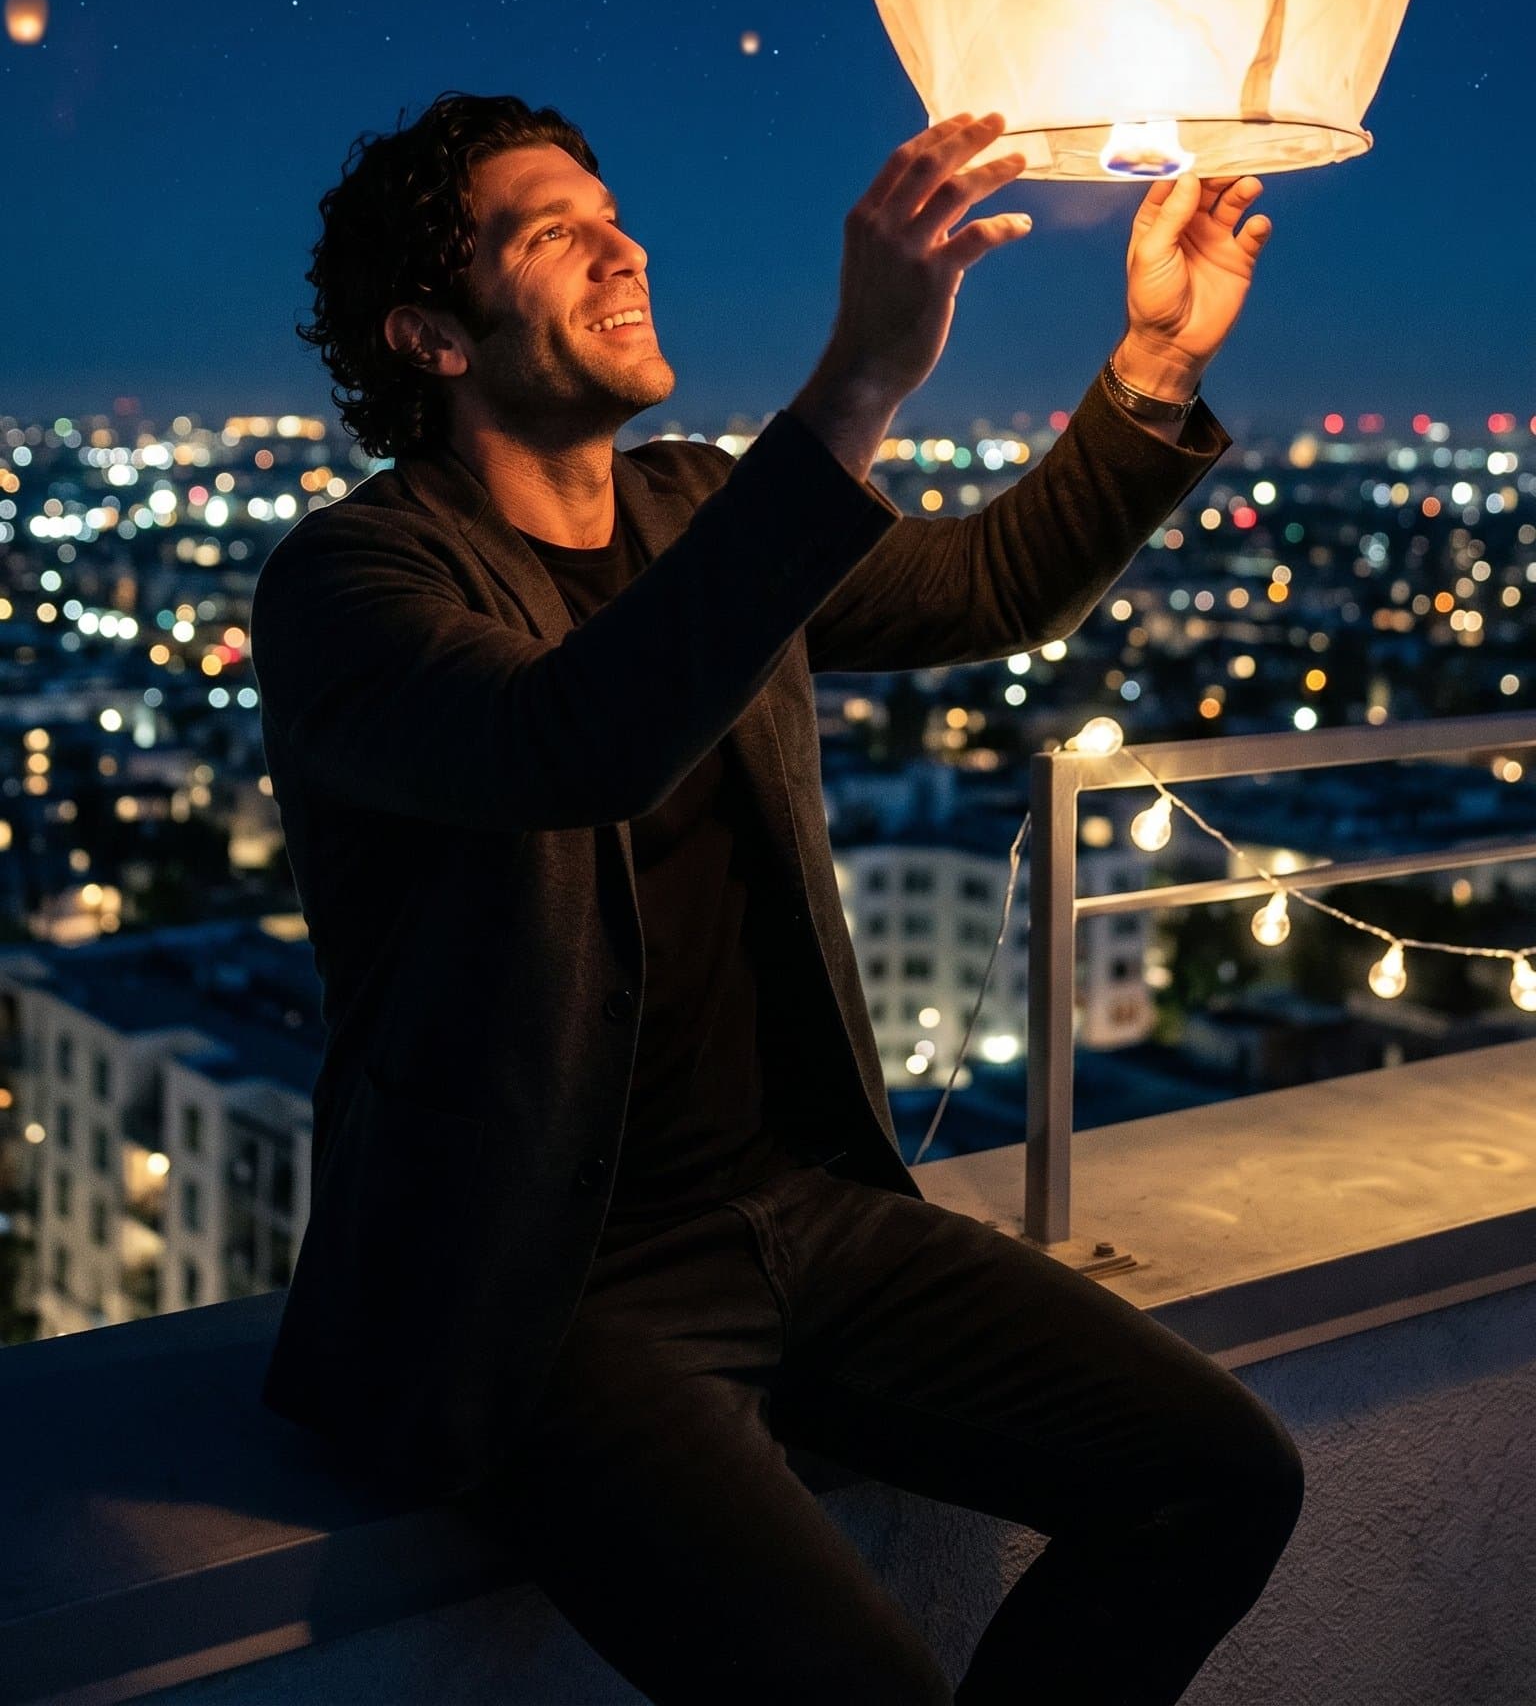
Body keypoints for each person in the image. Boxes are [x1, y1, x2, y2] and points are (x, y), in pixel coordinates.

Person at [250, 91, 1301, 1706]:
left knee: (1220, 1476)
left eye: (614, 211)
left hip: (810, 1215)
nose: (623, 246)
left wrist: (1156, 362)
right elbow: (568, 741)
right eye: (551, 233)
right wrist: (861, 378)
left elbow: (989, 585)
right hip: (559, 1297)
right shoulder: (349, 585)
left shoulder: (690, 509)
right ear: (430, 335)